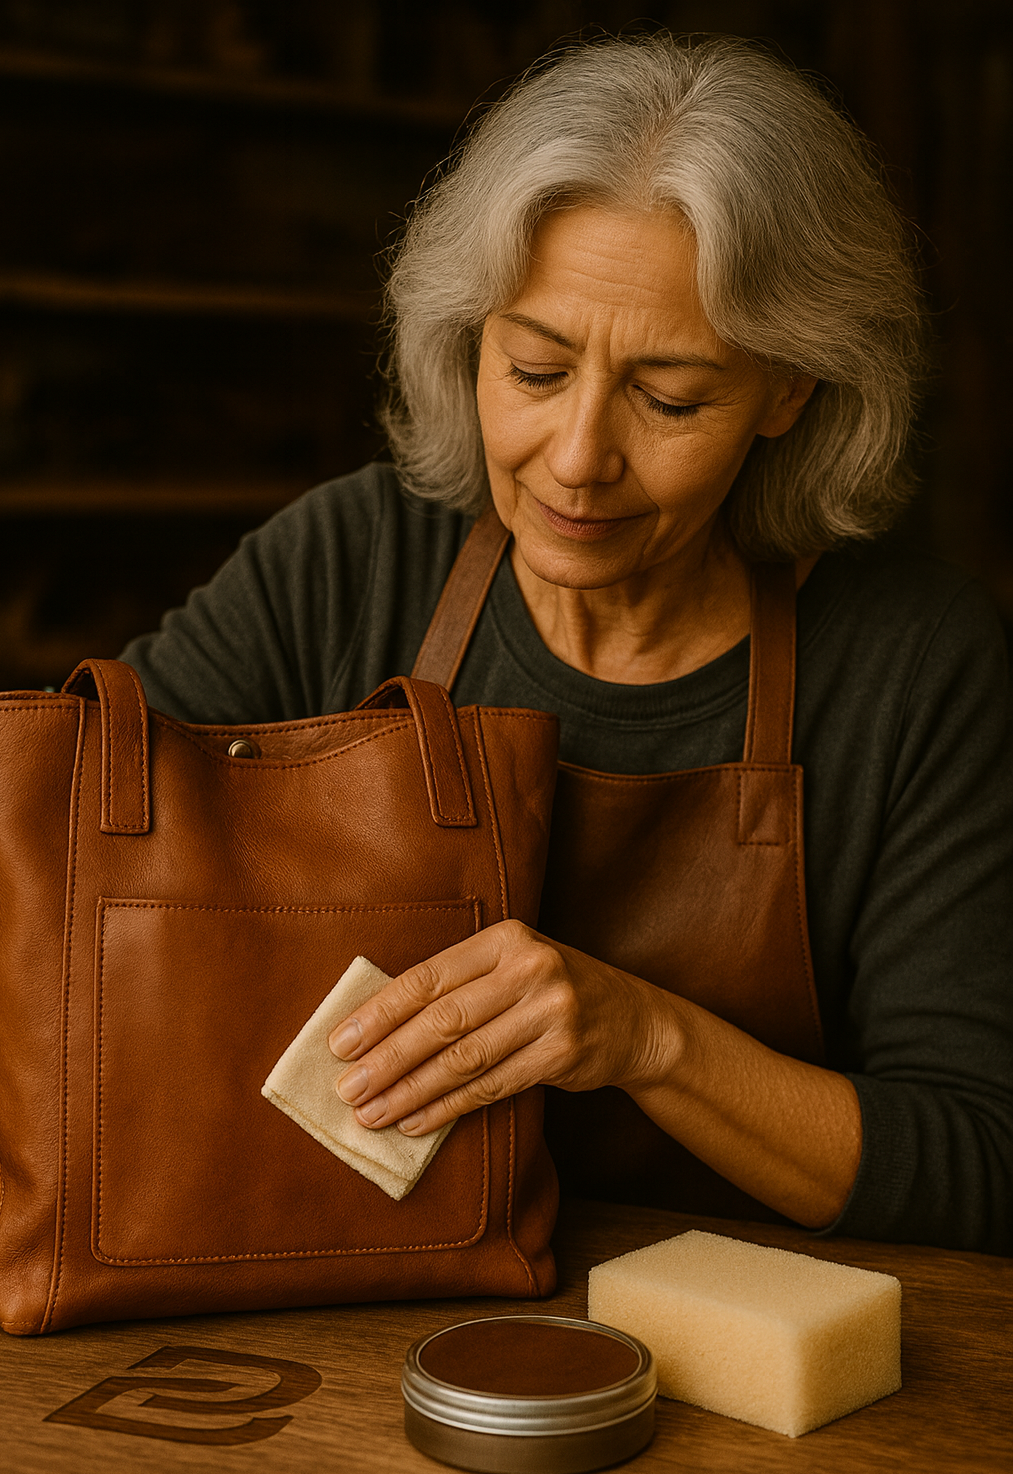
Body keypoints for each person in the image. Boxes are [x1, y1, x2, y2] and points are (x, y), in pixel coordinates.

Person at [122, 33, 1013, 1254]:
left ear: (788, 390)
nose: (580, 458)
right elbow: (63, 854)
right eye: (535, 371)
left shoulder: (912, 664)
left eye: (669, 398)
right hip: (350, 1299)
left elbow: (978, 1160)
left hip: (751, 1332)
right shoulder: (344, 564)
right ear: (469, 336)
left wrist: (643, 1036)